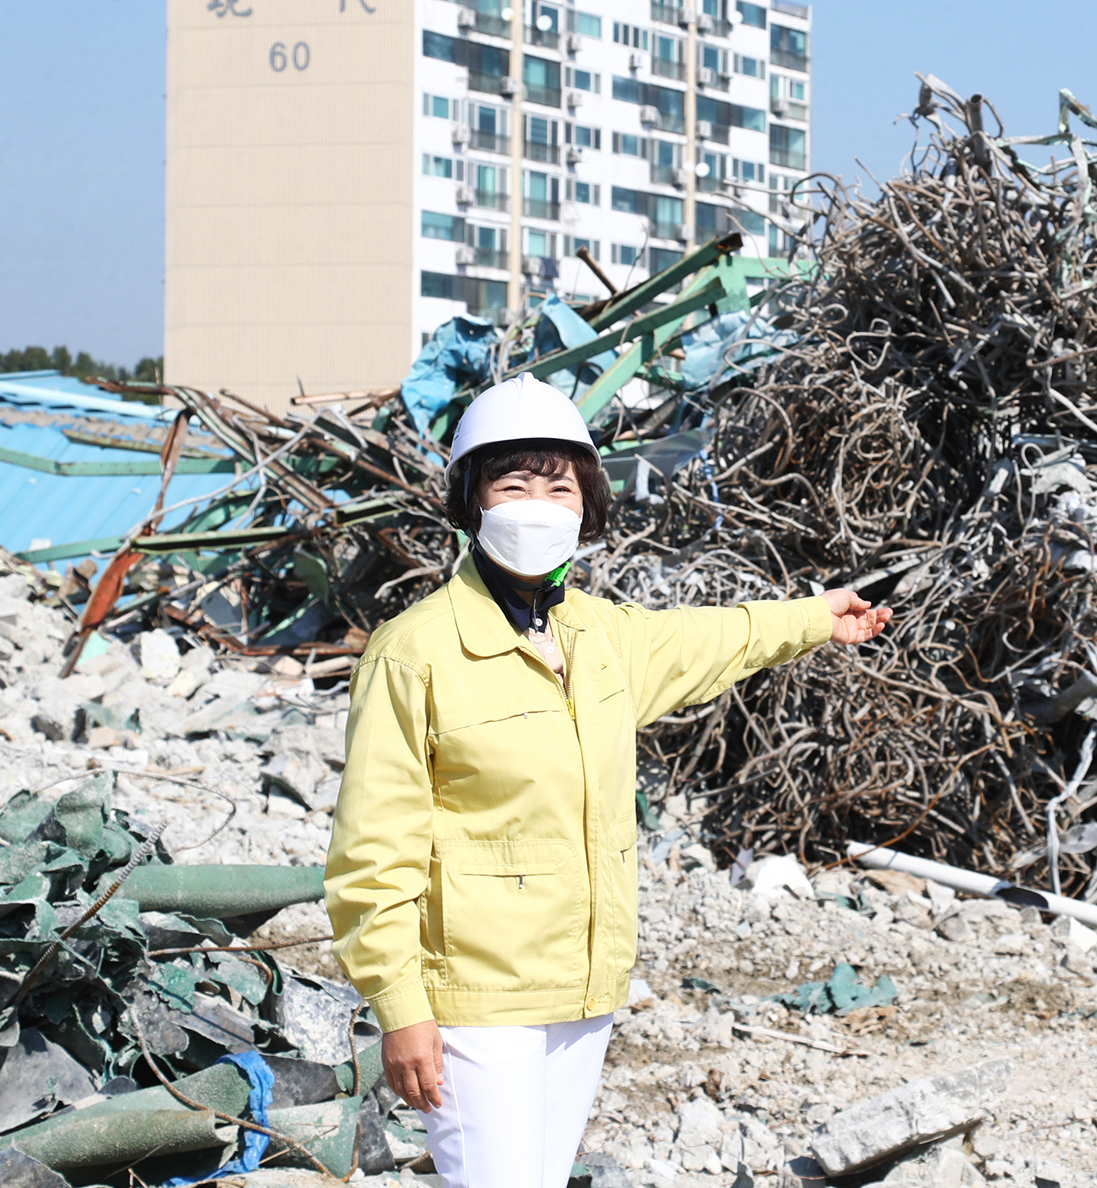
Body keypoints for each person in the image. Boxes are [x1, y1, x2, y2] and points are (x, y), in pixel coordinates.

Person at [325, 374, 891, 1187]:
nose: (535, 504)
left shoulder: (599, 637)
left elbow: (710, 641)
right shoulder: (414, 651)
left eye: (558, 486)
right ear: (470, 501)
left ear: (586, 506)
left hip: (584, 993)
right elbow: (370, 856)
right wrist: (402, 1008)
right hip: (476, 1005)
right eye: (511, 482)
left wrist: (813, 619)